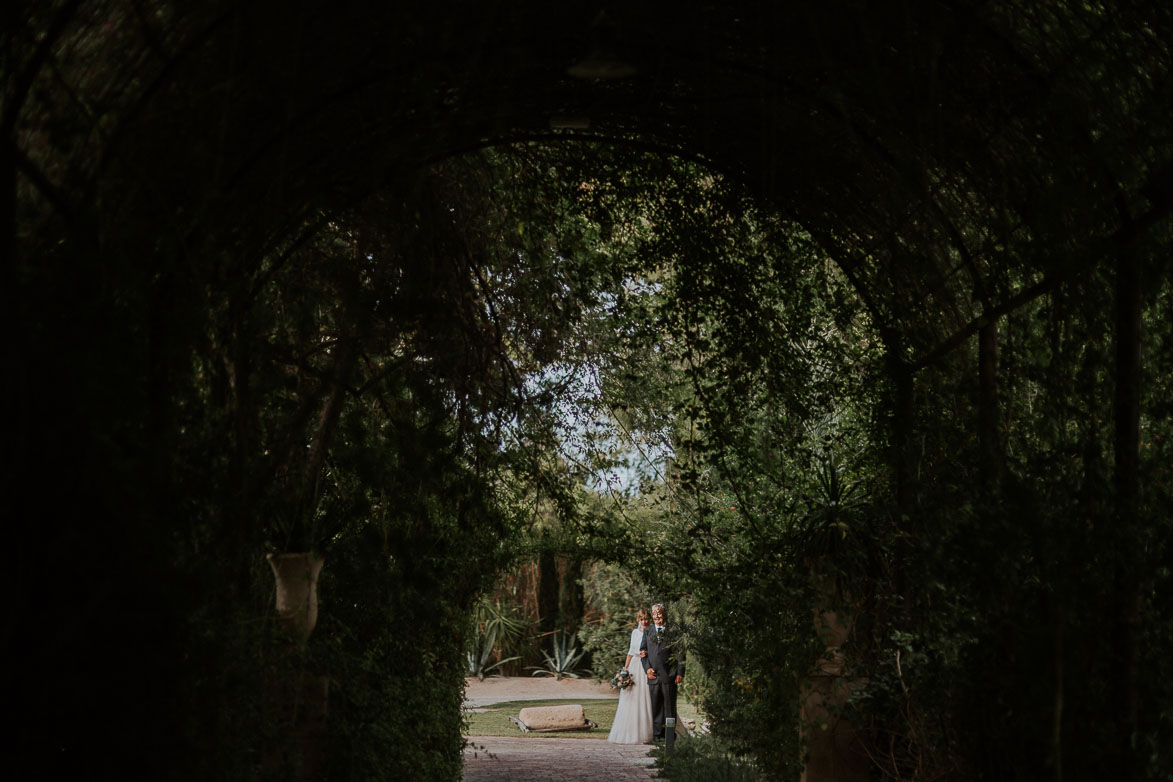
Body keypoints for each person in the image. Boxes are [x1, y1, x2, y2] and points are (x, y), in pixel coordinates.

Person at [607, 608, 654, 744]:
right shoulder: (634, 633)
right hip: (634, 666)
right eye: (641, 619)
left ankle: (647, 732)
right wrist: (625, 670)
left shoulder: (652, 632)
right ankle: (628, 731)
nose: (644, 621)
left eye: (646, 619)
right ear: (638, 619)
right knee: (630, 697)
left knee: (644, 697)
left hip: (645, 666)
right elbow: (630, 652)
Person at [640, 602, 684, 742]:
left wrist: (680, 672)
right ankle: (657, 736)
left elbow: (681, 653)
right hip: (653, 676)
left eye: (659, 613)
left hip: (669, 675)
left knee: (669, 708)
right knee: (656, 707)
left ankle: (670, 736)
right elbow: (643, 653)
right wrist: (647, 669)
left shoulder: (674, 631)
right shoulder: (648, 631)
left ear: (664, 614)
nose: (656, 616)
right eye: (654, 614)